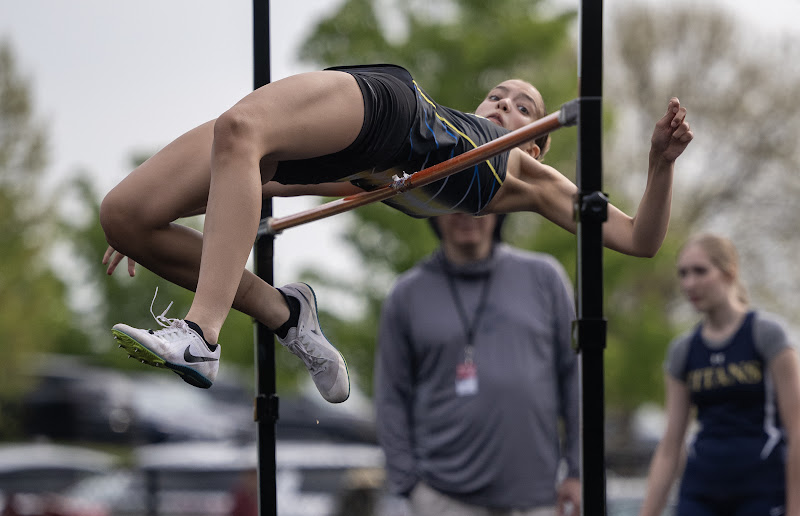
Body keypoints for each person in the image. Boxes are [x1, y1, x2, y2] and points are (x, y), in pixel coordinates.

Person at [100, 63, 692, 401]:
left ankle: (201, 334)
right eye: (496, 96)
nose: (504, 105)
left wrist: (659, 164)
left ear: (536, 143)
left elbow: (638, 240)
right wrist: (164, 214)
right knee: (126, 216)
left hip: (388, 121)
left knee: (240, 127)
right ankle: (284, 313)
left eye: (522, 107)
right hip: (380, 128)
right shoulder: (440, 152)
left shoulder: (526, 173)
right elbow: (262, 186)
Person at [375, 210, 581, 516]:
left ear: (500, 211)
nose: (467, 214)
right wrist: (410, 485)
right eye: (453, 202)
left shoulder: (545, 277)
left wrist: (578, 471)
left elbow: (575, 378)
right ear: (433, 213)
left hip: (533, 502)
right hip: (441, 501)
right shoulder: (407, 293)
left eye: (479, 204)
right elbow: (390, 396)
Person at [625, 233, 800, 516]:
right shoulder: (683, 350)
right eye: (683, 273)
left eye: (700, 271)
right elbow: (670, 446)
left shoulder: (767, 335)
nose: (689, 283)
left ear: (729, 273)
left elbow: (797, 427)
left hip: (762, 493)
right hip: (701, 496)